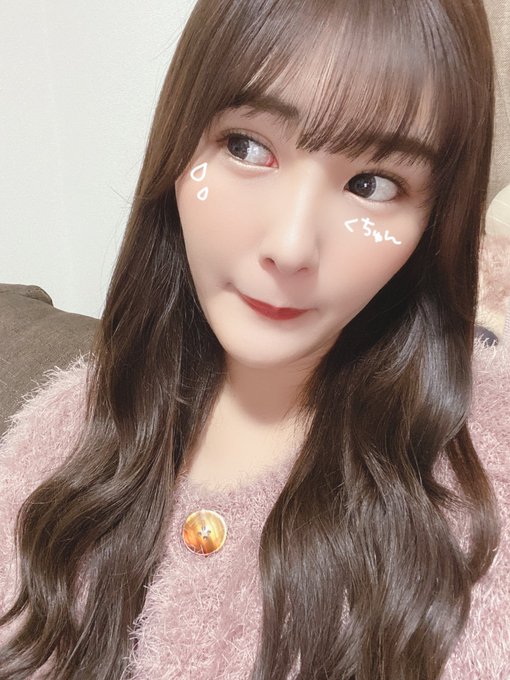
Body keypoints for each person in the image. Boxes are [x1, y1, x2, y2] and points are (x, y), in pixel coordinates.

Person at [0, 0, 508, 678]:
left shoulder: (485, 493)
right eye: (246, 146)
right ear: (179, 148)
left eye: (372, 184)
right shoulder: (56, 440)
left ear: (435, 221)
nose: (291, 246)